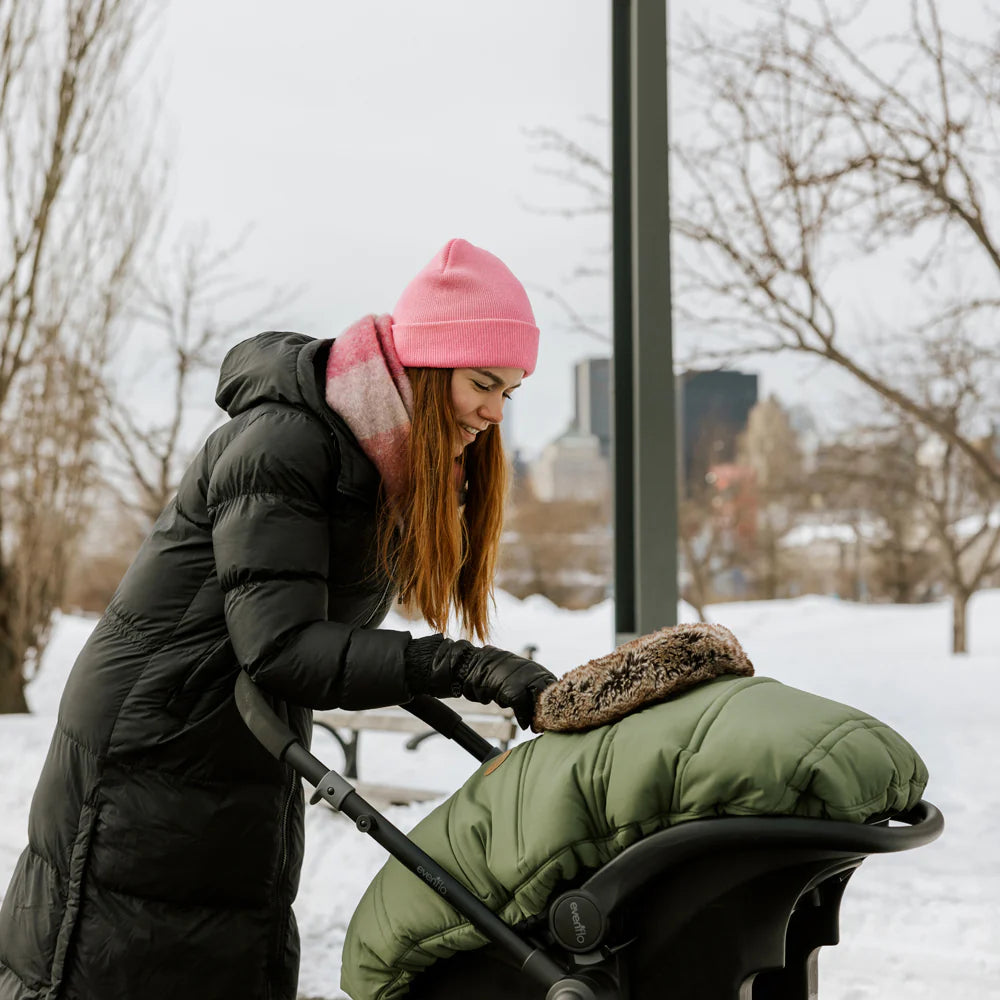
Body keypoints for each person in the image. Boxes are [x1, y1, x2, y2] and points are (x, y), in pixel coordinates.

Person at [0, 238, 557, 1000]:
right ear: (428, 368)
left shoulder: (379, 462)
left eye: (510, 393)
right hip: (151, 757)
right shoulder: (285, 443)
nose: (494, 413)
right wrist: (468, 669)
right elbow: (284, 646)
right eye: (483, 383)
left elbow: (321, 645)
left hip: (239, 751)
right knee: (119, 968)